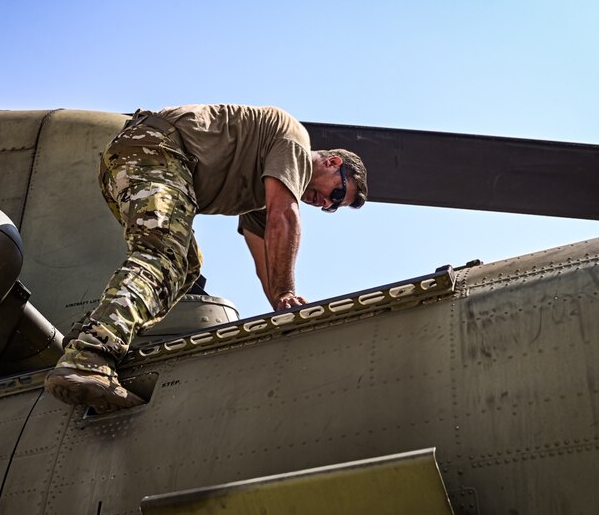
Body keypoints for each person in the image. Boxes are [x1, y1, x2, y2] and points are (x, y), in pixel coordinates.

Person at [44, 104, 368, 411]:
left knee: (185, 267)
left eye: (332, 207)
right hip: (154, 151)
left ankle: (90, 333)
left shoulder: (263, 196)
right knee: (163, 254)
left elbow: (265, 265)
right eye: (336, 194)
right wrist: (286, 292)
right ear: (333, 163)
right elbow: (285, 216)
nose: (325, 204)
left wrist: (284, 314)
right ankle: (88, 357)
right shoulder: (294, 141)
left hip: (144, 161)